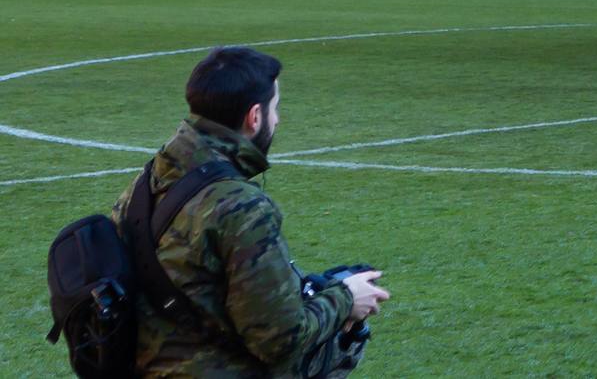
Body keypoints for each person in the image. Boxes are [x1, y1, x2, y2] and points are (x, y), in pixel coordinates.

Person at [113, 47, 390, 376]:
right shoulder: (240, 206)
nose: (278, 120)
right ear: (254, 117)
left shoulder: (144, 185)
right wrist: (346, 297)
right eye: (276, 109)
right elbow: (278, 340)